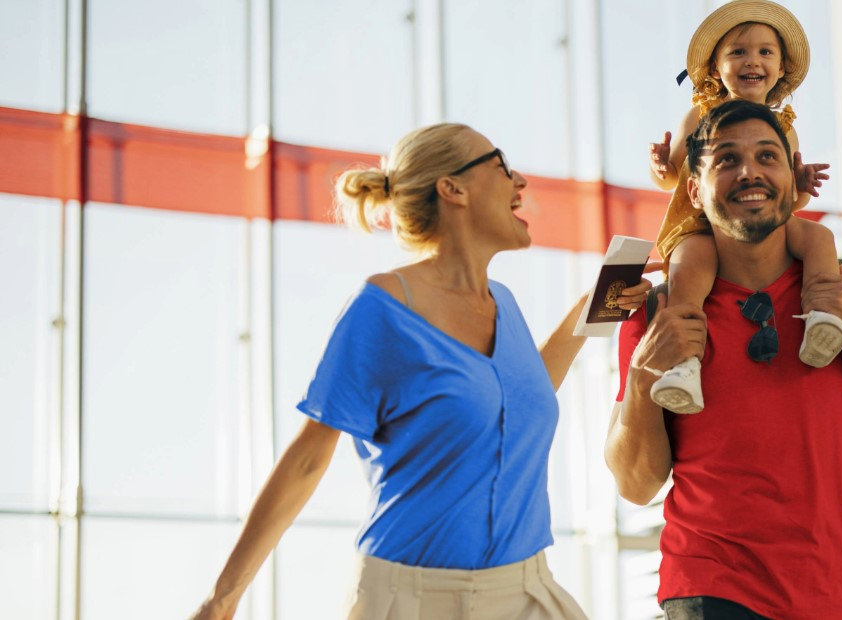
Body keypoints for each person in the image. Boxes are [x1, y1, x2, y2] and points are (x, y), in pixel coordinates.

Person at [192, 123, 647, 620]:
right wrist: (222, 600)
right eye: (500, 166)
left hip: (527, 593)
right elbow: (307, 459)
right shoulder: (383, 308)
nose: (519, 181)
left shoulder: (505, 304)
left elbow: (516, 394)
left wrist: (592, 307)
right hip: (409, 601)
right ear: (452, 189)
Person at [607, 100, 842, 619]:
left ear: (791, 176)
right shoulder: (657, 312)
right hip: (711, 591)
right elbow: (635, 483)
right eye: (727, 160)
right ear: (694, 189)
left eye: (766, 156)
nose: (749, 172)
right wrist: (647, 372)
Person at [644, 0, 842, 414]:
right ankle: (683, 363)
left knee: (819, 237)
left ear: (781, 67)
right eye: (738, 52)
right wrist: (662, 167)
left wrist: (801, 186)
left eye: (764, 52)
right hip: (702, 225)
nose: (752, 61)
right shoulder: (698, 116)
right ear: (716, 67)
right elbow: (676, 179)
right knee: (688, 271)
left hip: (767, 224)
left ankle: (822, 314)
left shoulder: (785, 130)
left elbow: (787, 198)